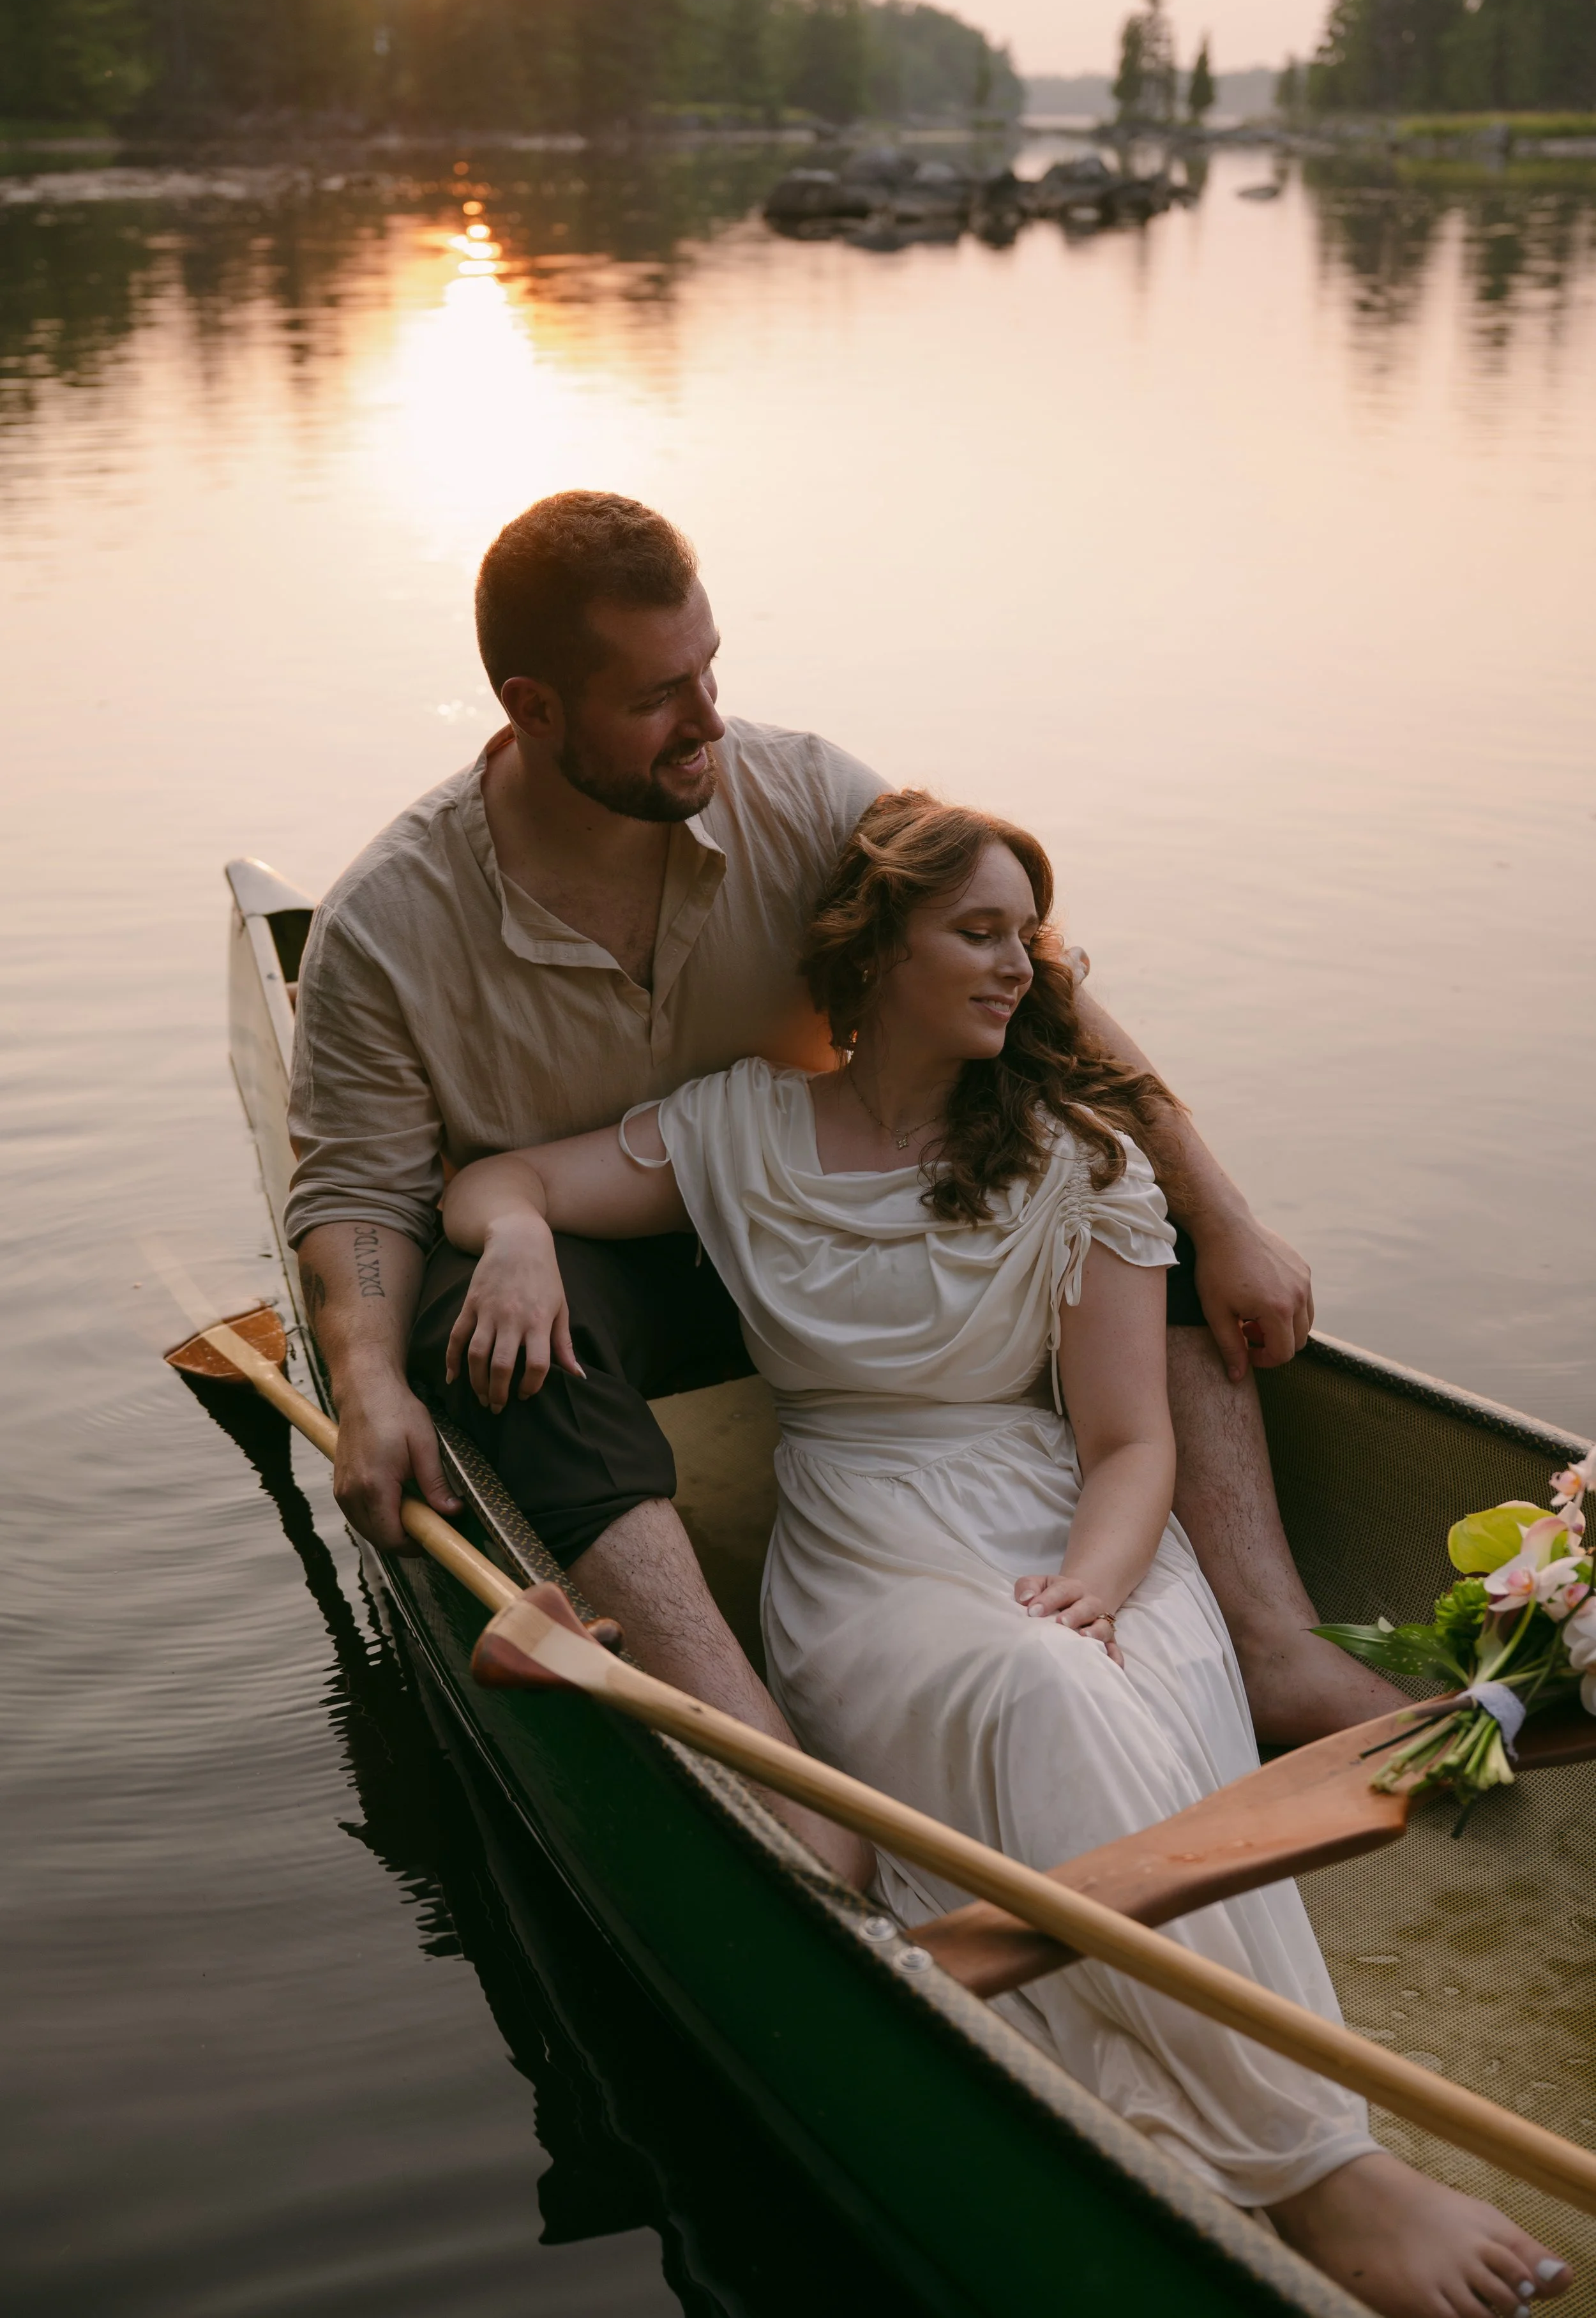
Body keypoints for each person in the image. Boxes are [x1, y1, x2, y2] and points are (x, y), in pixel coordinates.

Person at [437, 792, 1572, 2318]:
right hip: (858, 1544)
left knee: (1065, 1669)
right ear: (870, 948)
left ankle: (1300, 2153)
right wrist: (513, 1239)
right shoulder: (733, 1128)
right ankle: (1315, 2169)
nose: (1016, 968)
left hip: (1068, 1523)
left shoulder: (1079, 1156)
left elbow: (1128, 1445)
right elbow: (495, 1181)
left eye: (1024, 938)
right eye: (975, 932)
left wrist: (1101, 1580)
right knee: (1032, 1690)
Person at [286, 490, 1396, 1867]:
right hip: (592, 1238)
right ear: (532, 706)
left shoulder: (799, 788)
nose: (706, 719)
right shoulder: (387, 924)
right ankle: (760, 1758)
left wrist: (1223, 1216)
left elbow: (1023, 983)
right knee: (495, 1336)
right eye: (656, 698)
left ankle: (1270, 1640)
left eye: (708, 669)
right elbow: (356, 1196)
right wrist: (374, 1384)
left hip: (825, 1203)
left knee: (1126, 1191)